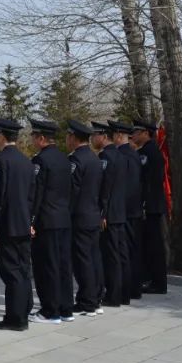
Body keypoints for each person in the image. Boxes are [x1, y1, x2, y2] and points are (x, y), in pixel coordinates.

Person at [29, 118, 73, 324]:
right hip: (63, 218)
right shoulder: (65, 159)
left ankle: (50, 310)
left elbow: (36, 195)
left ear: (42, 138)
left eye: (33, 136)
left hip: (46, 220)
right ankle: (66, 308)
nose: (31, 140)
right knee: (63, 265)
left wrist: (31, 220)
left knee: (47, 266)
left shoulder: (40, 161)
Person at [0, 116, 34, 331]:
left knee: (11, 272)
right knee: (23, 269)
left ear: (1, 136)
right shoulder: (27, 161)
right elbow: (31, 196)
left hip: (7, 225)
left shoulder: (0, 160)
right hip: (24, 223)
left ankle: (16, 318)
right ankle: (24, 309)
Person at [67, 120, 102, 317]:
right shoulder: (95, 159)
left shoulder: (75, 161)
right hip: (93, 214)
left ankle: (87, 301)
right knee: (94, 258)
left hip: (79, 217)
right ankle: (95, 298)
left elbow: (72, 192)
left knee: (82, 261)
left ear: (73, 137)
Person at [93, 122, 128, 308]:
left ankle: (113, 295)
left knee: (111, 256)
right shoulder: (121, 156)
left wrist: (102, 213)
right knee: (120, 254)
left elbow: (105, 188)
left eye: (95, 135)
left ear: (104, 137)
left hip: (110, 214)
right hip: (120, 212)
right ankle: (122, 294)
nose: (92, 139)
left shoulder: (106, 157)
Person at [133, 119, 167, 294]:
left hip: (150, 205)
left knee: (154, 245)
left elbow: (147, 182)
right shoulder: (146, 151)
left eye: (137, 132)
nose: (134, 135)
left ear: (146, 133)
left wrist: (144, 203)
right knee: (149, 244)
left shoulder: (149, 153)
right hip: (151, 204)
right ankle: (150, 278)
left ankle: (157, 282)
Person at [111, 120, 144, 302]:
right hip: (133, 210)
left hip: (127, 211)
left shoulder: (123, 156)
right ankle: (133, 288)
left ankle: (129, 289)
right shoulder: (131, 154)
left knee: (126, 252)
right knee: (131, 251)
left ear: (118, 136)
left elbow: (127, 187)